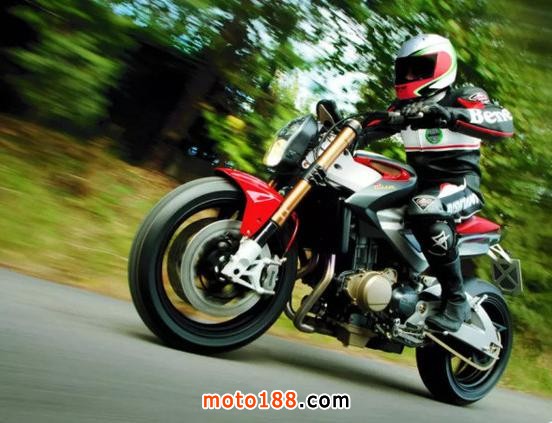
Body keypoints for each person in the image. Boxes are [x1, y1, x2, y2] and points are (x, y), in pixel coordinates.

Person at [320, 34, 514, 332]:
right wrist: (341, 128)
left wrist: (448, 115)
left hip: (459, 186)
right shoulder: (403, 108)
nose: (409, 77)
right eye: (405, 70)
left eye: (418, 69)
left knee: (425, 208)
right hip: (417, 187)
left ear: (442, 67)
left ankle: (456, 300)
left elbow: (502, 122)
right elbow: (370, 128)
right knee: (358, 198)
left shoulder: (465, 96)